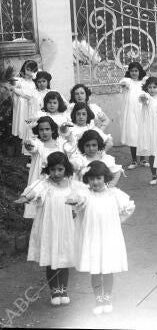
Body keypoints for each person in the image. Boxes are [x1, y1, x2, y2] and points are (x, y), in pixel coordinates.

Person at [14, 152, 87, 306]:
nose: (56, 173)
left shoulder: (72, 183)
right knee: (51, 259)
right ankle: (54, 291)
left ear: (66, 169)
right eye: (53, 170)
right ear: (48, 169)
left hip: (66, 228)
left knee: (64, 259)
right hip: (49, 227)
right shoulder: (44, 184)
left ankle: (63, 290)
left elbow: (82, 195)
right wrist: (27, 197)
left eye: (60, 169)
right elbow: (34, 191)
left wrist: (76, 201)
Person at [66, 161, 135, 315]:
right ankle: (98, 299)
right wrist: (74, 200)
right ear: (87, 180)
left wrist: (117, 220)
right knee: (96, 270)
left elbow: (128, 207)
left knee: (108, 269)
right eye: (91, 179)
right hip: (93, 238)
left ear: (105, 178)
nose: (95, 182)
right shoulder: (85, 195)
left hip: (109, 237)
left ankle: (107, 298)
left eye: (98, 178)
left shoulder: (114, 194)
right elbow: (76, 201)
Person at [22, 117, 69, 218]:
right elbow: (32, 147)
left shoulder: (60, 144)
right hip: (41, 178)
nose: (44, 132)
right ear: (37, 131)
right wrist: (28, 145)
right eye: (41, 129)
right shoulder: (38, 144)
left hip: (57, 177)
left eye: (47, 129)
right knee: (40, 202)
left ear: (52, 130)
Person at [137, 77, 157, 185]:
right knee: (152, 153)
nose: (152, 89)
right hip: (150, 128)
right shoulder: (147, 99)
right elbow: (143, 97)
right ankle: (154, 175)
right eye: (150, 87)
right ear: (146, 88)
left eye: (154, 87)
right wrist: (147, 95)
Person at [119, 62, 147, 170]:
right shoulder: (128, 81)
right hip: (130, 112)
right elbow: (122, 83)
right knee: (133, 134)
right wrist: (125, 84)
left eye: (136, 71)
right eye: (132, 71)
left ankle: (144, 158)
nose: (134, 73)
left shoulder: (143, 82)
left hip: (142, 111)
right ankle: (134, 160)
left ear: (139, 71)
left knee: (143, 134)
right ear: (129, 72)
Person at [11, 60, 39, 146]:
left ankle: (29, 138)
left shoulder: (33, 83)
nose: (30, 72)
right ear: (24, 68)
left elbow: (35, 94)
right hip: (22, 105)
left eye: (32, 70)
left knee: (29, 121)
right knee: (22, 120)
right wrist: (24, 95)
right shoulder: (19, 80)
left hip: (31, 106)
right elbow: (13, 89)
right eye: (28, 69)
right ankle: (22, 138)